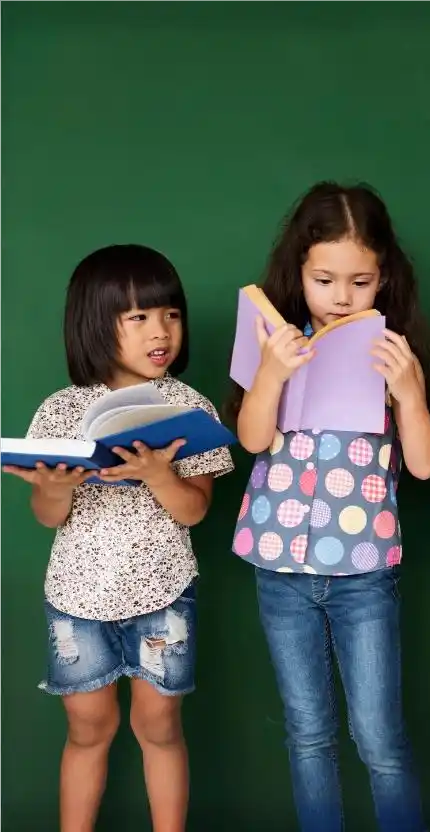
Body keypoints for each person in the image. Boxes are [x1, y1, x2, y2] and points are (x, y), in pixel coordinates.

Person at [2, 244, 234, 832]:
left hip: (164, 592)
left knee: (159, 726)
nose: (161, 331)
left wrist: (160, 473)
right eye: (138, 318)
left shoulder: (188, 407)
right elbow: (48, 515)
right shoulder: (61, 411)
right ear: (94, 323)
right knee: (87, 728)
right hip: (77, 597)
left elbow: (194, 511)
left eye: (170, 315)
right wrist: (53, 487)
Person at [230, 182, 430, 831]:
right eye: (325, 279)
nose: (342, 296)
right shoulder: (278, 344)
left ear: (385, 279)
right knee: (308, 734)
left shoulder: (392, 353)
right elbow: (253, 440)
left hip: (363, 573)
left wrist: (409, 394)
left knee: (379, 738)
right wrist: (270, 374)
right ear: (299, 271)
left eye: (361, 281)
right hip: (281, 568)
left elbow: (428, 465)